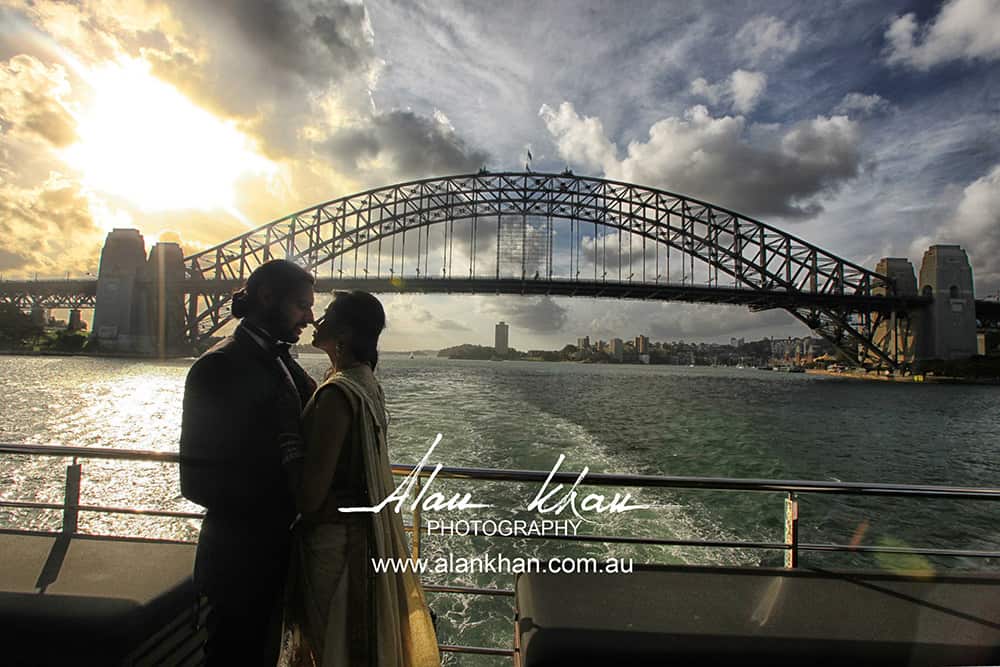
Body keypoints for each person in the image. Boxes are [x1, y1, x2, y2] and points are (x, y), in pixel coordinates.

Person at [286, 290, 440, 667]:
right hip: (360, 543)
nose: (315, 321)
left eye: (327, 314)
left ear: (345, 332)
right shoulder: (365, 383)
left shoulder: (336, 396)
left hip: (334, 553)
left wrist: (285, 452)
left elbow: (309, 498)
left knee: (332, 647)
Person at [179, 259, 317, 665]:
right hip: (241, 565)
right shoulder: (218, 367)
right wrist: (293, 499)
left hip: (280, 560)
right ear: (267, 297)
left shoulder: (281, 362)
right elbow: (196, 482)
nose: (310, 318)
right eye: (301, 306)